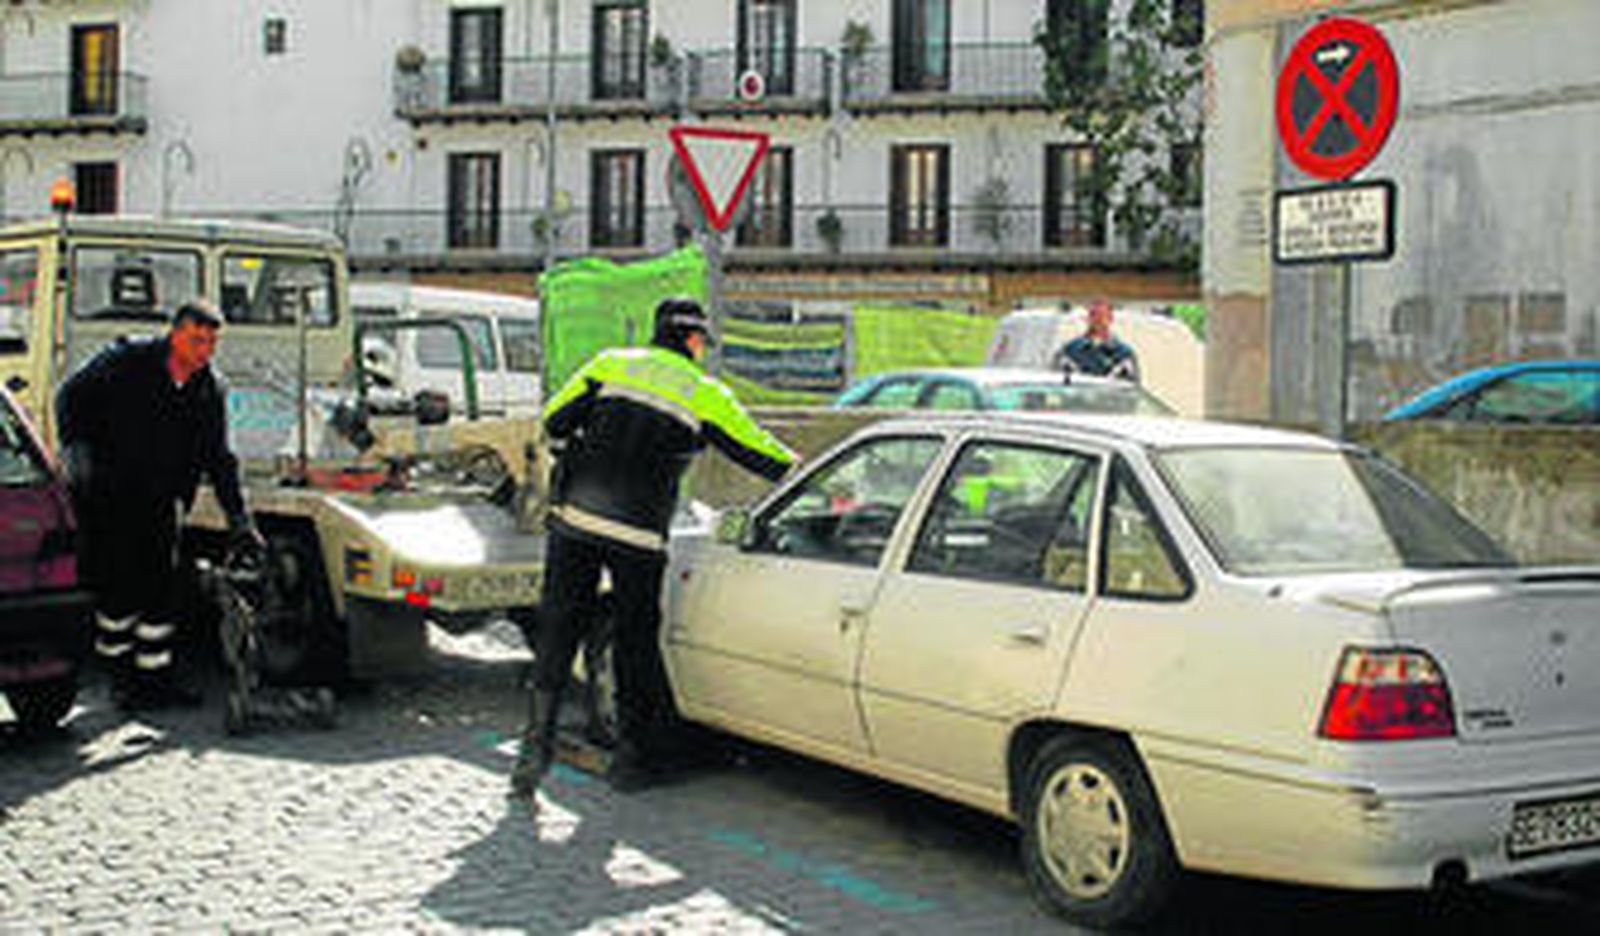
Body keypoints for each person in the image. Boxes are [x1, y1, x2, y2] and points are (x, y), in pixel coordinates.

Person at [511, 297, 795, 800]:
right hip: (639, 536)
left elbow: (554, 421)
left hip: (575, 521)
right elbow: (762, 454)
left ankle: (533, 754)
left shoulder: (610, 364)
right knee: (635, 643)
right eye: (703, 342)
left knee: (559, 629)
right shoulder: (704, 393)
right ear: (691, 340)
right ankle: (633, 760)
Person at [56, 299, 264, 710]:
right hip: (111, 495)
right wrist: (76, 449)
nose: (203, 351)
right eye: (195, 340)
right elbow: (70, 397)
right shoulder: (127, 362)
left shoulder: (209, 389)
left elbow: (218, 458)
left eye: (210, 343)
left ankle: (155, 681)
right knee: (117, 592)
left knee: (160, 591)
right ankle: (119, 678)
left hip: (164, 500)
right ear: (175, 334)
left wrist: (240, 519)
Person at [1057, 299, 1140, 381]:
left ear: (1111, 318)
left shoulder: (1124, 354)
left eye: (1102, 315)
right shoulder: (1070, 350)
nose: (1097, 319)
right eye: (1093, 315)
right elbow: (1055, 382)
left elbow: (1134, 388)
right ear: (1088, 318)